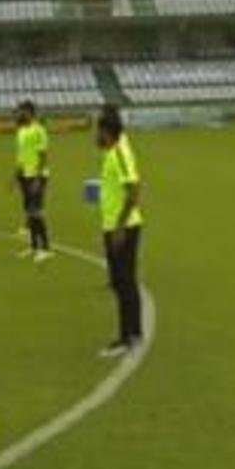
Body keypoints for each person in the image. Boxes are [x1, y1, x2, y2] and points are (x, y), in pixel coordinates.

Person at [95, 106, 146, 356]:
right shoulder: (114, 149)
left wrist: (119, 227)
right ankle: (131, 333)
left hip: (123, 228)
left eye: (99, 129)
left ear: (107, 131)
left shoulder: (120, 153)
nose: (96, 134)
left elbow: (134, 191)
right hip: (114, 226)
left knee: (125, 282)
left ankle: (130, 335)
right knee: (119, 282)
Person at [11, 101, 54, 262]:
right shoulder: (21, 131)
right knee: (29, 211)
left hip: (37, 175)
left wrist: (37, 178)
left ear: (30, 112)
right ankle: (34, 246)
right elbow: (21, 156)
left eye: (22, 111)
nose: (20, 114)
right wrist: (15, 176)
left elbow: (43, 155)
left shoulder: (39, 130)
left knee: (36, 211)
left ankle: (46, 248)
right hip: (25, 175)